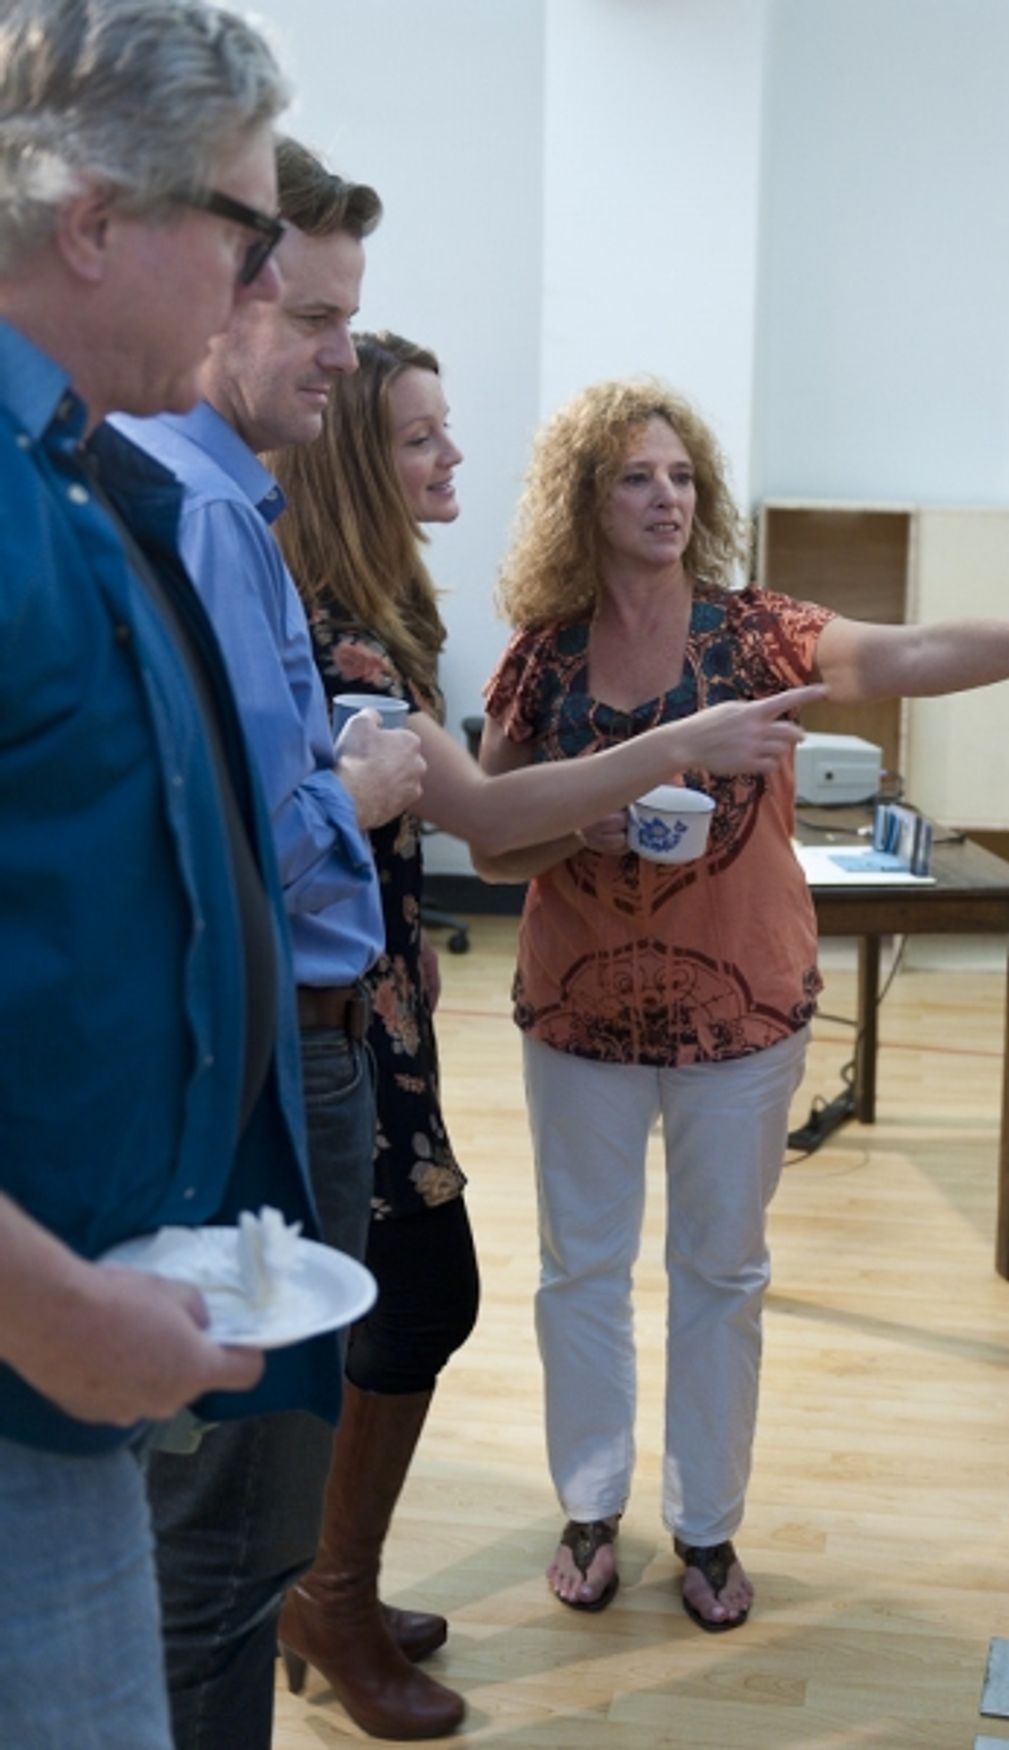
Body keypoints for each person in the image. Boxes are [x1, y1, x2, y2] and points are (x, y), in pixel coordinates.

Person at [476, 377, 1009, 1630]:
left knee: (721, 1271)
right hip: (579, 1013)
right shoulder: (543, 655)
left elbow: (910, 654)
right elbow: (493, 846)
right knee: (579, 1270)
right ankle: (589, 1507)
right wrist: (580, 822)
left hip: (741, 1014)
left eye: (680, 476)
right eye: (634, 477)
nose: (664, 497)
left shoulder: (758, 632)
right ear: (583, 501)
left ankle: (705, 1528)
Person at [264, 332, 826, 1736]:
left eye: (680, 475)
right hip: (412, 1009)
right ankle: (336, 1584)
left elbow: (912, 652)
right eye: (419, 436)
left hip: (417, 998)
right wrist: (661, 762)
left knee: (660, 1273)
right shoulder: (447, 639)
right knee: (437, 1293)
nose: (451, 452)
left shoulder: (388, 612)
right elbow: (491, 821)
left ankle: (347, 1581)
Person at [0, 3, 341, 1745]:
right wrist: (55, 1311)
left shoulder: (62, 473)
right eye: (242, 228)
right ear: (92, 221)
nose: (260, 278)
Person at [113, 139, 427, 1749]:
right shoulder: (210, 513)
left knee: (214, 1516)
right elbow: (240, 838)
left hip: (260, 1036)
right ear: (221, 293)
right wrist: (357, 786)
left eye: (350, 322)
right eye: (313, 318)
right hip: (278, 1041)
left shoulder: (184, 489)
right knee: (234, 1535)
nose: (342, 359)